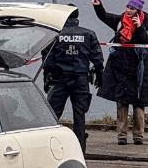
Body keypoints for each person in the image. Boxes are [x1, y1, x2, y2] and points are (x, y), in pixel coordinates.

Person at [92, 0, 148, 145]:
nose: (128, 10)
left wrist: (139, 27)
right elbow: (104, 16)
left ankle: (138, 136)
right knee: (121, 100)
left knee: (139, 102)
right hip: (121, 65)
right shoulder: (120, 20)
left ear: (138, 10)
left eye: (132, 8)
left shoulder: (145, 21)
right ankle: (122, 136)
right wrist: (98, 6)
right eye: (127, 7)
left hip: (138, 66)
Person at [42, 8, 104, 153]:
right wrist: (100, 78)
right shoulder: (88, 34)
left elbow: (47, 60)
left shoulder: (56, 34)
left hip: (59, 80)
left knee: (53, 115)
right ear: (77, 17)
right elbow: (98, 60)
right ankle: (80, 150)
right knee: (79, 115)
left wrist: (47, 79)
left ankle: (49, 148)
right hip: (80, 79)